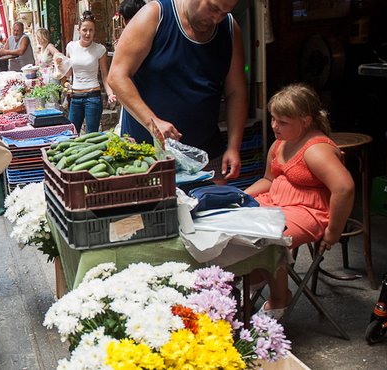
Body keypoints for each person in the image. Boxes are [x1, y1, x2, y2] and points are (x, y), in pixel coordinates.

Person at [244, 84, 354, 320]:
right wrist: (242, 196)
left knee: (268, 236)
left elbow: (344, 188)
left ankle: (279, 298)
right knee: (231, 224)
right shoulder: (279, 143)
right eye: (273, 118)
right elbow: (268, 179)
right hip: (275, 202)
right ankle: (251, 281)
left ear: (306, 121)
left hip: (309, 211)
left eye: (282, 122)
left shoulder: (316, 150)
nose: (274, 126)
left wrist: (334, 231)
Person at [108, 0, 247, 184]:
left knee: (214, 208)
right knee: (157, 211)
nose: (216, 19)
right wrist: (153, 122)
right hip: (148, 158)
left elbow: (236, 91)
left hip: (206, 156)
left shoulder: (228, 27)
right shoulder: (154, 15)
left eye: (225, 12)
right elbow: (117, 77)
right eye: (213, 8)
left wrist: (234, 147)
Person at [65, 11, 116, 134]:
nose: (88, 33)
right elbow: (68, 74)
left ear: (94, 31)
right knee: (71, 133)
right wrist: (59, 66)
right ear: (79, 30)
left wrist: (110, 94)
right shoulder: (71, 47)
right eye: (85, 30)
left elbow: (105, 75)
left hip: (93, 97)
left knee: (92, 135)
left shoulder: (100, 49)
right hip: (76, 97)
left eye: (91, 30)